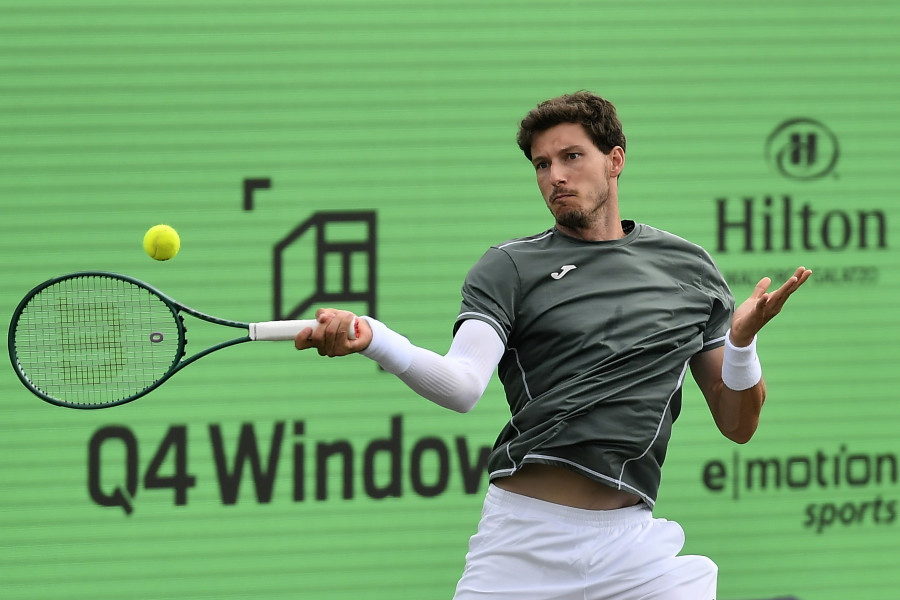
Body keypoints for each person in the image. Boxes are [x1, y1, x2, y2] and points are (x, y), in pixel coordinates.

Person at [294, 91, 812, 600]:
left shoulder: (689, 269)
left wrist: (742, 345)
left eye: (571, 157)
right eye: (542, 165)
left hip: (635, 552)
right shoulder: (509, 268)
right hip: (522, 545)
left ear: (615, 161)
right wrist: (374, 339)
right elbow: (460, 386)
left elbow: (739, 424)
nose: (555, 176)